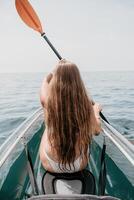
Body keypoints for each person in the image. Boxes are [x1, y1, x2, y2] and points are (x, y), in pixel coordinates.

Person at [39, 59, 102, 173]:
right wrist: (95, 111)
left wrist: (54, 70)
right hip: (78, 165)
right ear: (78, 80)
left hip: (50, 164)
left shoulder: (48, 101)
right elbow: (96, 131)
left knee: (48, 128)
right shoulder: (86, 104)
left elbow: (45, 81)